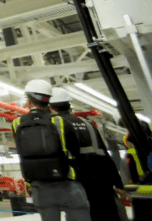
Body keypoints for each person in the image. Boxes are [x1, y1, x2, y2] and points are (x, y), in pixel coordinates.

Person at [12, 79, 91, 221]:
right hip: (67, 181)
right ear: (48, 100)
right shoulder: (59, 121)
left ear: (29, 100)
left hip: (39, 186)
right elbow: (76, 150)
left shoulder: (16, 123)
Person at [50, 88, 126, 221]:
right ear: (69, 105)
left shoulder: (55, 125)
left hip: (79, 184)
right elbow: (104, 155)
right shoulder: (88, 123)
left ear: (51, 108)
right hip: (103, 183)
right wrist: (118, 184)